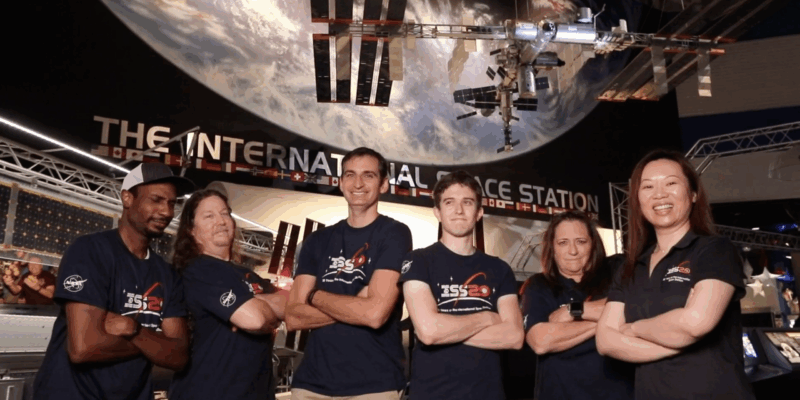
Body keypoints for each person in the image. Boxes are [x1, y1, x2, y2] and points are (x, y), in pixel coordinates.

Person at [596, 150, 755, 400]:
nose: (659, 194)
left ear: (692, 194)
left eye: (671, 183)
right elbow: (606, 341)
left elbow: (695, 323)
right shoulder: (630, 267)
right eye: (647, 186)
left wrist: (633, 328)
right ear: (637, 199)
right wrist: (680, 339)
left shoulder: (714, 250)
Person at [33, 163, 195, 400]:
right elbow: (84, 348)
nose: (167, 212)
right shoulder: (89, 251)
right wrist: (154, 346)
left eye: (171, 203)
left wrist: (134, 330)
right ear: (127, 198)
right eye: (157, 200)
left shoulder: (167, 274)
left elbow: (179, 356)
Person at [286, 147, 412, 400]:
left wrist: (314, 296)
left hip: (373, 386)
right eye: (350, 175)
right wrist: (359, 302)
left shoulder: (394, 234)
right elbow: (293, 317)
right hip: (311, 385)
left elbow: (375, 315)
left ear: (384, 184)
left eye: (368, 175)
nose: (358, 183)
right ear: (341, 183)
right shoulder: (317, 241)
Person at [401, 170, 523, 400]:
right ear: (437, 212)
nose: (458, 210)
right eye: (449, 202)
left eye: (467, 202)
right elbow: (428, 332)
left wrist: (445, 329)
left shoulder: (499, 269)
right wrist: (487, 318)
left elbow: (514, 337)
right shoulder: (418, 260)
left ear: (479, 212)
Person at [169, 189, 288, 400]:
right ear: (191, 230)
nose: (221, 221)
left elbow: (289, 304)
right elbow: (255, 319)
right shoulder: (197, 270)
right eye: (209, 216)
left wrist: (253, 302)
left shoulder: (247, 274)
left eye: (225, 213)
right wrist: (267, 312)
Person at [520, 211, 633, 399]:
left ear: (593, 244)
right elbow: (540, 341)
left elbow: (638, 303)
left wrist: (574, 311)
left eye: (581, 241)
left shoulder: (616, 269)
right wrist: (610, 319)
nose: (573, 251)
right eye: (563, 243)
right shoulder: (538, 286)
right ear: (552, 248)